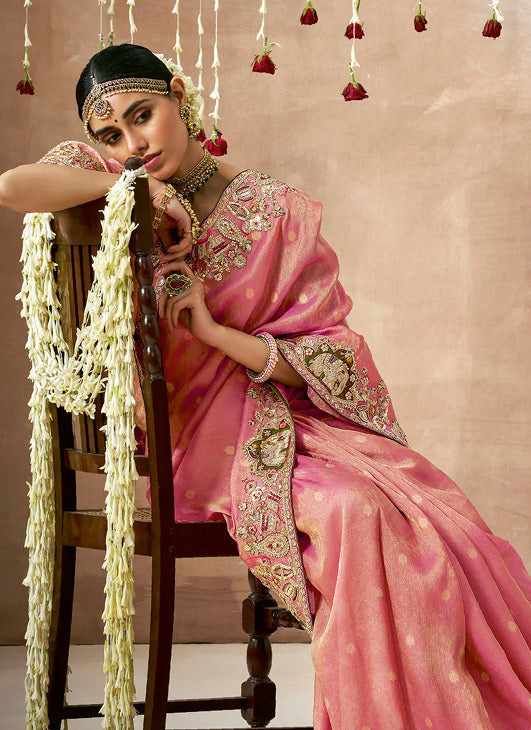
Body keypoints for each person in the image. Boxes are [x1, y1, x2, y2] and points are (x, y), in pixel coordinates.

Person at [1, 43, 530, 730]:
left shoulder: (274, 209)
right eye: (110, 133)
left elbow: (323, 351)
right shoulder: (100, 175)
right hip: (181, 438)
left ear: (179, 96)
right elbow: (13, 186)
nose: (131, 144)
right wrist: (134, 190)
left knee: (429, 517)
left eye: (143, 115)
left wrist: (214, 332)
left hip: (279, 418)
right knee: (352, 511)